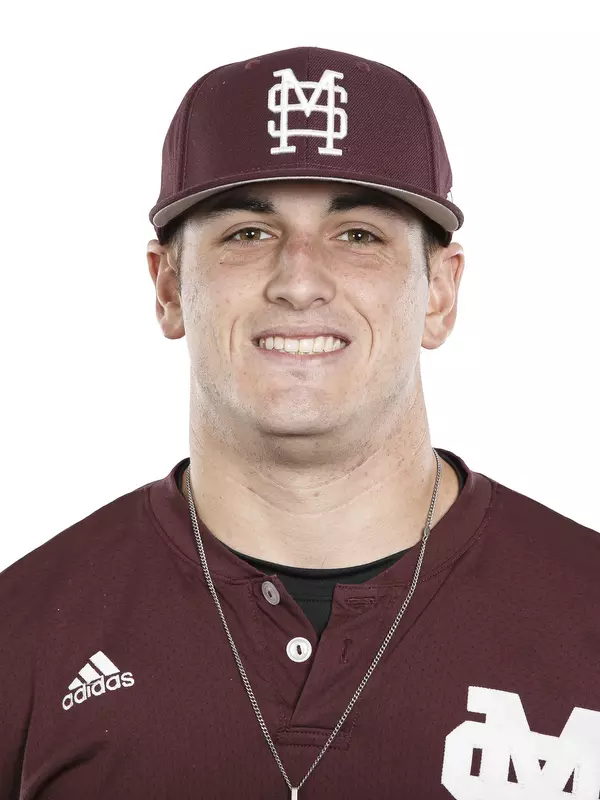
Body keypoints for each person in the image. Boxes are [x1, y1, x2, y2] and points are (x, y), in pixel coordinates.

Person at [1, 45, 599, 800]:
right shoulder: (25, 634)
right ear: (168, 289)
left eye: (359, 236)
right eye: (248, 234)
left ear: (441, 295)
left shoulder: (586, 613)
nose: (299, 281)